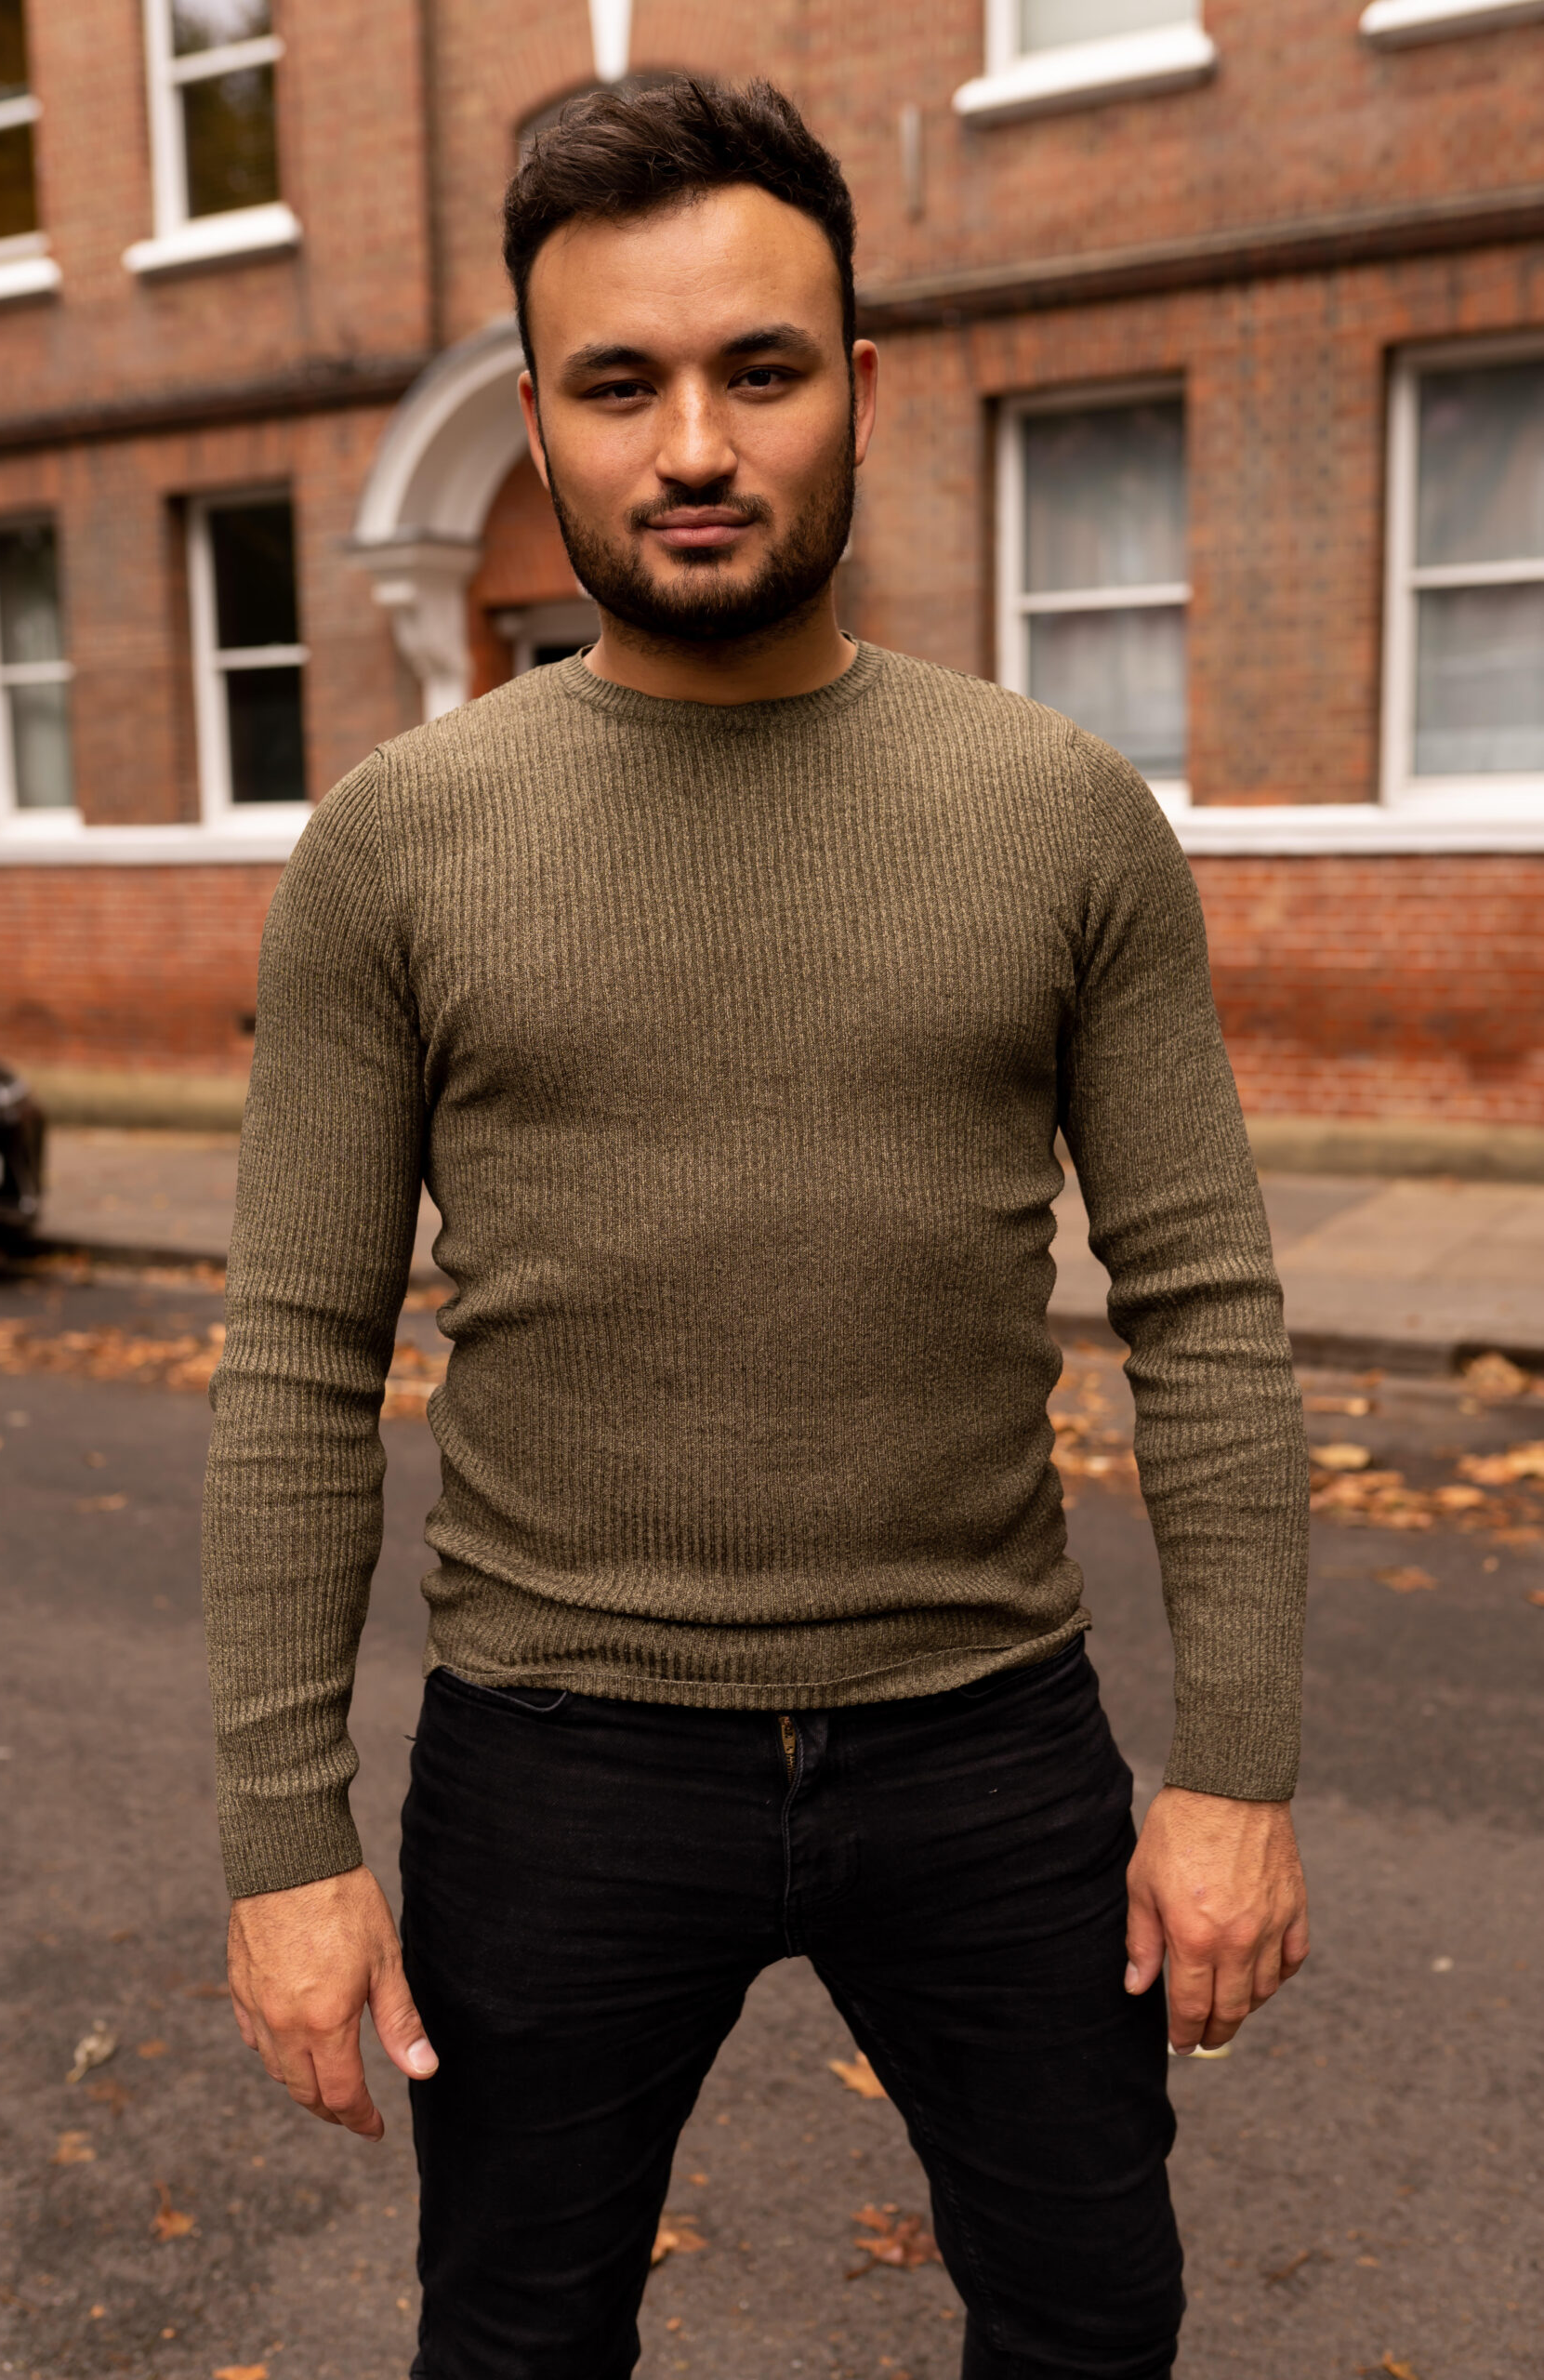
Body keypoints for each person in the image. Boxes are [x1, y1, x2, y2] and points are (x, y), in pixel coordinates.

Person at [205, 76, 1311, 2380]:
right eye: (617, 383)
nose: (689, 443)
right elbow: (296, 1358)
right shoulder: (397, 849)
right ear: (537, 414)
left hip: (987, 1742)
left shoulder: (1058, 818)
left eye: (758, 369)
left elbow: (1201, 1307)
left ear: (860, 388)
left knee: (1097, 2318)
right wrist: (279, 1839)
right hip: (552, 1750)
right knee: (512, 2338)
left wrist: (1237, 1767)